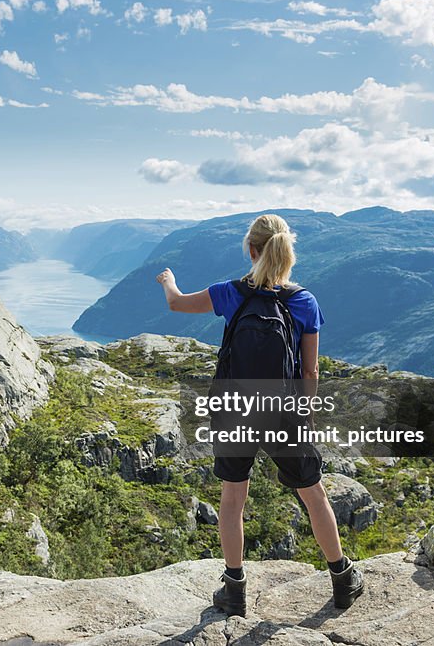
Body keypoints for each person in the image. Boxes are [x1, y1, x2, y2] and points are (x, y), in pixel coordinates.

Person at [155, 213, 364, 616]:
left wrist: (168, 281)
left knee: (233, 499)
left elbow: (177, 304)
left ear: (251, 250)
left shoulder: (232, 293)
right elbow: (310, 370)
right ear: (287, 253)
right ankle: (342, 580)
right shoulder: (304, 301)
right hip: (283, 411)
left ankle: (234, 592)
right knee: (314, 495)